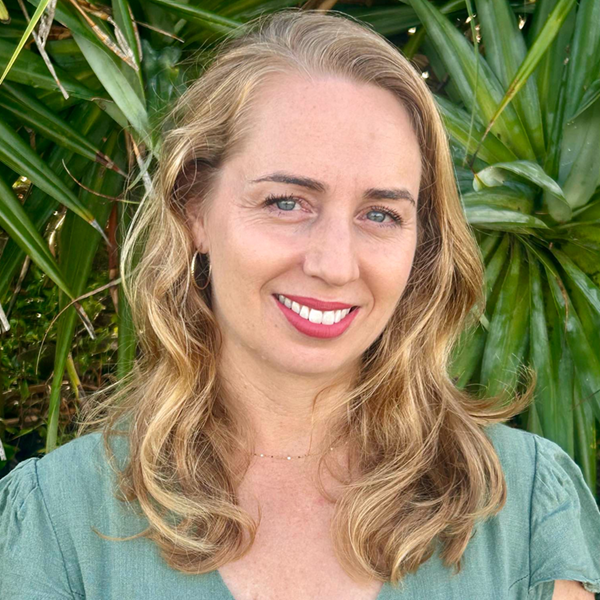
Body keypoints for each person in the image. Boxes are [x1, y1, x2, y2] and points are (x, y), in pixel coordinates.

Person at [1, 8, 600, 600]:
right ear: (194, 211)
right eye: (287, 202)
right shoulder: (59, 519)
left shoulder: (518, 506)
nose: (335, 264)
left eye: (380, 214)